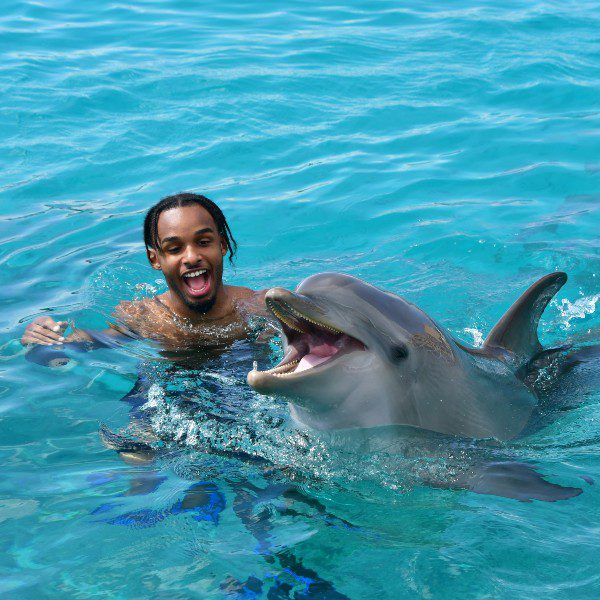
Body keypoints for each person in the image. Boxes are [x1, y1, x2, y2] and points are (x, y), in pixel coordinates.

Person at [21, 193, 269, 352]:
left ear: (222, 246)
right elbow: (79, 346)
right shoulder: (147, 317)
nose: (192, 257)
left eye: (204, 242)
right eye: (174, 248)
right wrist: (45, 340)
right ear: (155, 259)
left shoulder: (259, 306)